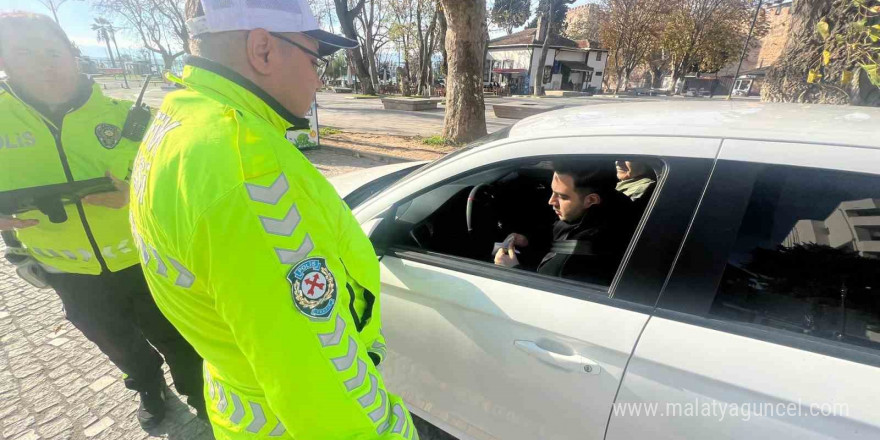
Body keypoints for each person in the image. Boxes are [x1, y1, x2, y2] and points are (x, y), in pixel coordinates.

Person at [128, 0, 418, 438]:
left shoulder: (183, 122)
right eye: (315, 57)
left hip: (245, 403)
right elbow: (320, 373)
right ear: (263, 48)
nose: (320, 77)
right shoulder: (249, 174)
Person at [0, 12, 204, 429]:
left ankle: (199, 391)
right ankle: (148, 384)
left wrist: (135, 196)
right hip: (68, 271)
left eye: (52, 51)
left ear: (73, 54)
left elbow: (181, 187)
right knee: (116, 341)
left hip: (145, 261)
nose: (44, 64)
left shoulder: (131, 117)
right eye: (23, 53)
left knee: (178, 336)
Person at [494, 162, 637, 286]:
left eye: (562, 196)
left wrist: (512, 271)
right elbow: (561, 236)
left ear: (592, 200)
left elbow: (541, 301)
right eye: (552, 192)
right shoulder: (617, 202)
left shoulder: (571, 263)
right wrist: (530, 242)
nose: (551, 201)